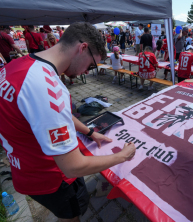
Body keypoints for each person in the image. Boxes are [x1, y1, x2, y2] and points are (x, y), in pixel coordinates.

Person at [0, 22, 136, 222]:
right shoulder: (49, 88)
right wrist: (122, 156)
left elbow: (53, 114)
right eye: (91, 65)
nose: (87, 72)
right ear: (82, 48)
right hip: (53, 178)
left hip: (25, 169)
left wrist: (89, 132)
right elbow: (73, 167)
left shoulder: (18, 65)